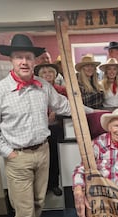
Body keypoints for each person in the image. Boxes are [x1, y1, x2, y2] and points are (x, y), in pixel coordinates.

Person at [0, 34, 94, 217]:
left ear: (34, 61)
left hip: (43, 152)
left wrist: (95, 113)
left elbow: (65, 106)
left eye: (28, 57)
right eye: (18, 57)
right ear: (11, 60)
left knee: (40, 202)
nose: (24, 62)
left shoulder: (44, 86)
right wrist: (10, 154)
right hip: (18, 157)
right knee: (24, 212)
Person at [34, 63, 67, 196]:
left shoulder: (61, 90)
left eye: (50, 72)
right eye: (44, 73)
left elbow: (68, 107)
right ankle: (42, 187)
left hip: (55, 128)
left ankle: (54, 184)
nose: (47, 75)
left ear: (55, 75)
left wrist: (56, 112)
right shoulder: (34, 90)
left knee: (54, 157)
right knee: (41, 159)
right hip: (38, 130)